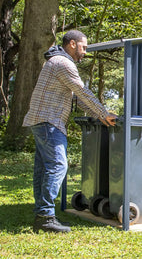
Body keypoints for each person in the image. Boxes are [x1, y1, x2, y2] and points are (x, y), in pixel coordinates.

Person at [23, 30, 117, 233]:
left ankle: (42, 212)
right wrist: (103, 114)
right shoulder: (64, 63)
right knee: (57, 165)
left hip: (40, 120)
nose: (85, 52)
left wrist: (97, 112)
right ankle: (45, 217)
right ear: (72, 44)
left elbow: (75, 96)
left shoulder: (54, 62)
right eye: (84, 47)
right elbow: (82, 92)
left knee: (44, 168)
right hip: (49, 121)